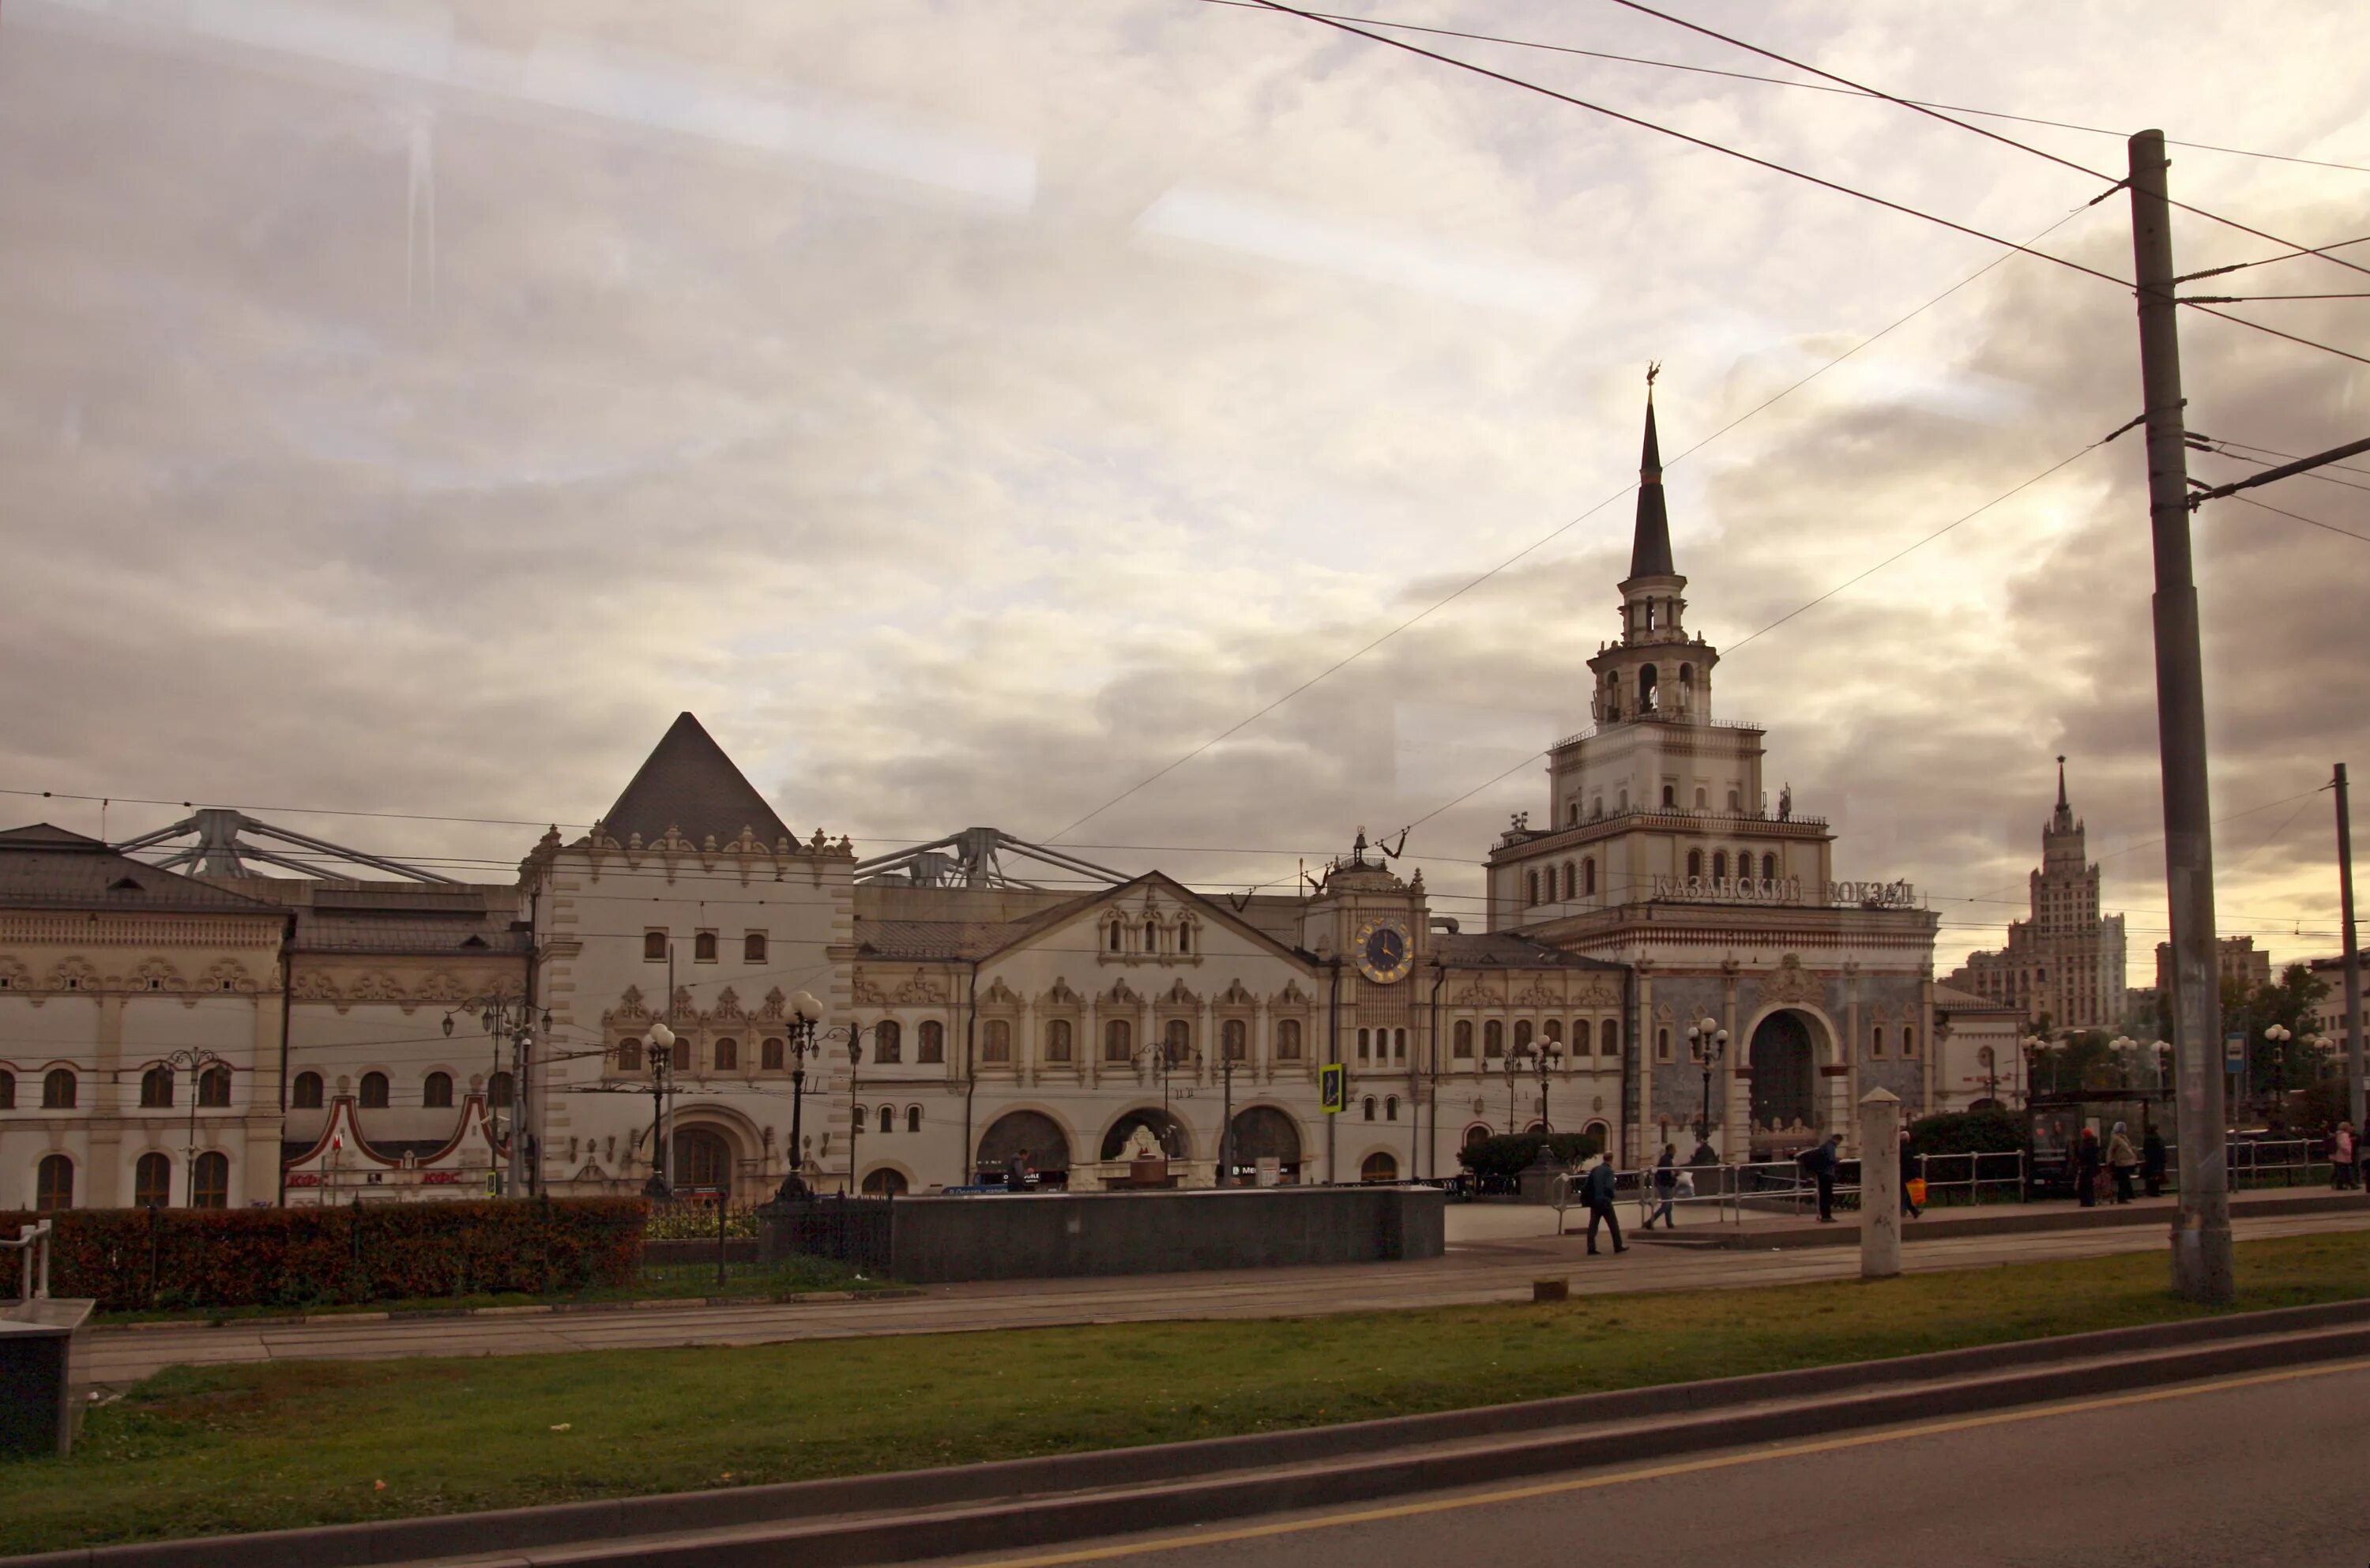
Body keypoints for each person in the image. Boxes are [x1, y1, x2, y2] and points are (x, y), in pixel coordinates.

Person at [1582, 1153, 1626, 1255]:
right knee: (1613, 1224)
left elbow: (1587, 1184)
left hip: (1595, 1201)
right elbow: (1610, 1187)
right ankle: (1618, 1246)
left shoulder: (1596, 1169)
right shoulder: (1609, 1171)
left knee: (1593, 1225)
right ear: (1611, 1159)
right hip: (1605, 1201)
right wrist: (1611, 1197)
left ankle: (1591, 1247)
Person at [1800, 1133, 1843, 1223]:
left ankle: (1824, 1215)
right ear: (1838, 1140)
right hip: (1827, 1174)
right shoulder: (1831, 1146)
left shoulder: (1824, 1146)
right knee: (1826, 1195)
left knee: (1823, 1195)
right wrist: (1837, 1160)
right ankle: (1827, 1216)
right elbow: (1831, 1160)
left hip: (1820, 1173)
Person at [1644, 1142, 1678, 1229]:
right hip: (1665, 1185)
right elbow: (1668, 1173)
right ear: (1670, 1150)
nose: (1675, 1152)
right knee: (1666, 1205)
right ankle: (1650, 1221)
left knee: (1669, 1205)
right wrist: (1675, 1175)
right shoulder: (1666, 1160)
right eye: (1674, 1150)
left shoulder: (1666, 1159)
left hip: (1665, 1184)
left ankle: (1669, 1223)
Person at [2107, 1122, 2139, 1205]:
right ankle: (2122, 1198)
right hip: (2121, 1162)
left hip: (2126, 1162)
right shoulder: (2116, 1139)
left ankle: (2124, 1196)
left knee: (2124, 1180)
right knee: (2123, 1181)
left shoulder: (2123, 1138)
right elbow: (2111, 1150)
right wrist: (2109, 1161)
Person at [2075, 1126, 2102, 1208]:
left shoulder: (2085, 1145)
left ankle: (2085, 1201)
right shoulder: (2095, 1144)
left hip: (2085, 1168)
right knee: (2089, 1185)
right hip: (2092, 1167)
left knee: (2083, 1185)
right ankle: (2090, 1201)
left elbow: (2082, 1156)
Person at [1898, 1129, 1922, 1219]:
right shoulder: (1908, 1149)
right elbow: (1910, 1163)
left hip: (1900, 1173)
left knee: (1904, 1193)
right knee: (1906, 1194)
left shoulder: (1898, 1149)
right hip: (1907, 1174)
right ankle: (1910, 1211)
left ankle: (1912, 1211)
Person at [2142, 1124, 2168, 1199]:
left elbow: (2145, 1150)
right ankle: (2155, 1191)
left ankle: (2151, 1191)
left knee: (2152, 1176)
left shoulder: (2147, 1138)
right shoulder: (2156, 1138)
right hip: (2157, 1160)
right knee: (2157, 1175)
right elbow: (2161, 1149)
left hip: (2150, 1160)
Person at [2332, 1122, 2357, 1191]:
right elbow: (2344, 1145)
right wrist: (2348, 1152)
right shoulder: (2344, 1135)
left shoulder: (2339, 1135)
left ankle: (2342, 1184)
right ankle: (2350, 1184)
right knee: (2345, 1170)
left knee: (2342, 1170)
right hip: (2344, 1156)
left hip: (2341, 1156)